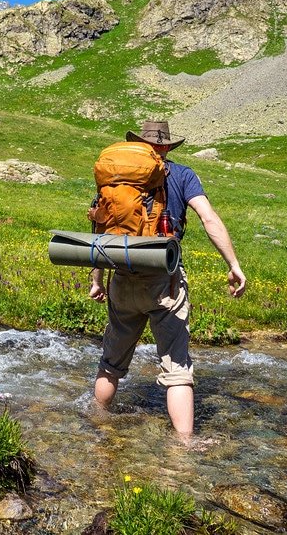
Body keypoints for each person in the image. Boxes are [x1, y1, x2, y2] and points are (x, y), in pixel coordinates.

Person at [88, 120, 246, 442]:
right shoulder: (183, 175)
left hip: (122, 277)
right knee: (177, 370)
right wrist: (233, 264)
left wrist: (97, 279)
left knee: (111, 362)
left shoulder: (119, 179)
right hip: (164, 282)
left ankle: (97, 425)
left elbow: (101, 231)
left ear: (140, 144)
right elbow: (208, 218)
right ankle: (183, 448)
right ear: (168, 147)